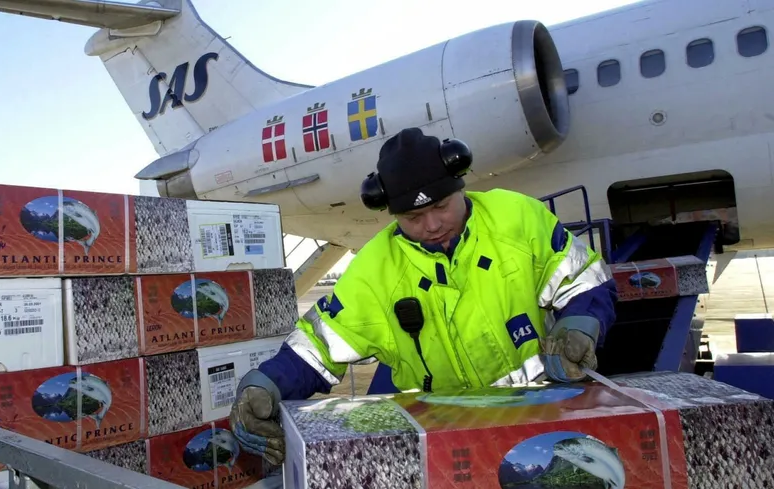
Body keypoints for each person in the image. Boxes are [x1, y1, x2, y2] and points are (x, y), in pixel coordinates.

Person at [230, 127, 618, 465]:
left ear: (460, 185)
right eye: (413, 219)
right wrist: (265, 383)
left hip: (546, 419)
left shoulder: (518, 219)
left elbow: (586, 279)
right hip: (444, 440)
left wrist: (580, 323)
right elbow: (317, 346)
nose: (432, 226)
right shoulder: (373, 272)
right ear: (391, 213)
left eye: (441, 207)